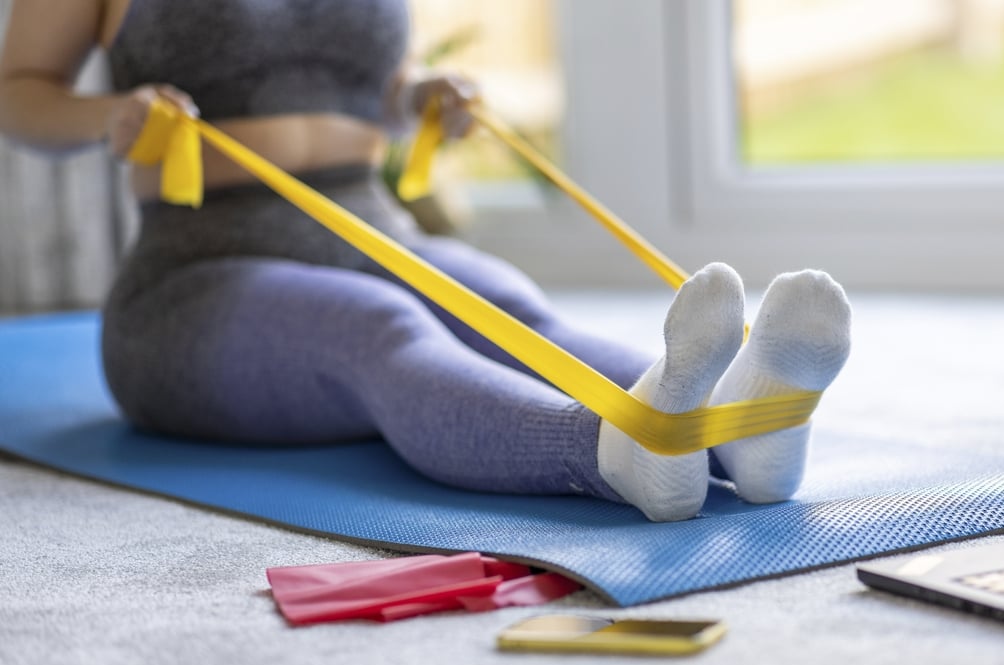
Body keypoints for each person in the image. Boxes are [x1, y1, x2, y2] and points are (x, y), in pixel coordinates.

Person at [0, 0, 852, 522]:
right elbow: (19, 87)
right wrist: (107, 115)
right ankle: (622, 455)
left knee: (506, 305)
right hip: (194, 277)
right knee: (380, 327)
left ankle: (746, 434)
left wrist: (416, 97)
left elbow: (365, 78)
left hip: (376, 232)